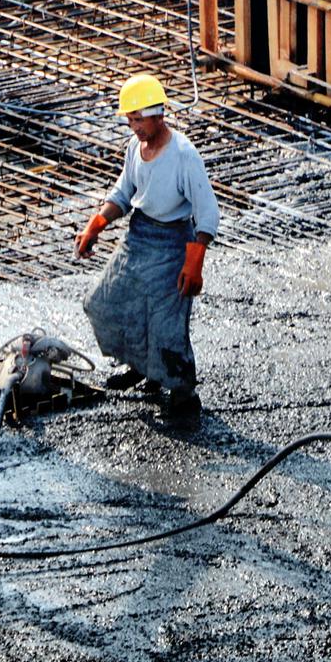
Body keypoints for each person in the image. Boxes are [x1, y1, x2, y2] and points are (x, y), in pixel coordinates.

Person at [76, 74, 219, 422]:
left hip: (173, 241)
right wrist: (97, 224)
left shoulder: (183, 155)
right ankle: (142, 368)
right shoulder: (134, 148)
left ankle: (183, 391)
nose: (134, 126)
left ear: (158, 114)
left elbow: (207, 212)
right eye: (130, 120)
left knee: (166, 323)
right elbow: (124, 193)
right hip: (139, 236)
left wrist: (195, 261)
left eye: (138, 119)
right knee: (105, 303)